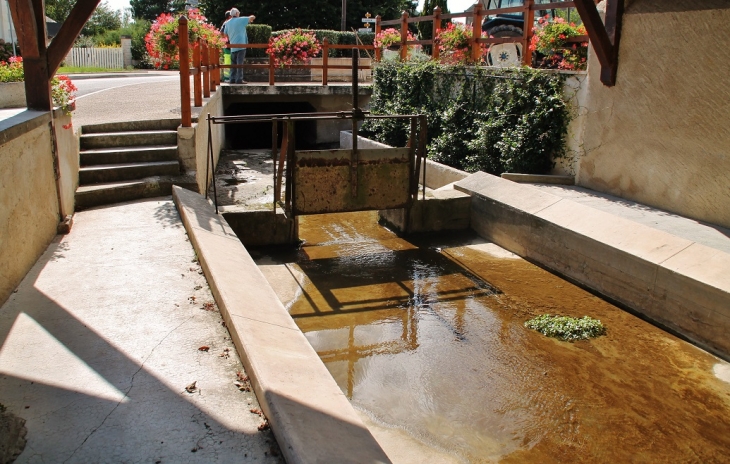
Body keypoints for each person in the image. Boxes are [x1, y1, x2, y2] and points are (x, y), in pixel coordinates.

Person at [221, 8, 255, 84]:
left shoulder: (227, 23)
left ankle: (232, 79)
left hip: (233, 46)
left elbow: (225, 34)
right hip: (241, 46)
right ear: (236, 13)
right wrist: (251, 18)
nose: (239, 14)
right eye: (238, 13)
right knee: (240, 63)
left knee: (233, 64)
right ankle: (239, 79)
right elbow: (252, 17)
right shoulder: (240, 20)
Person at [220, 10, 232, 82]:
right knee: (227, 61)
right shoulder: (226, 23)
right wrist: (227, 38)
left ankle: (228, 77)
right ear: (229, 16)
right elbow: (222, 33)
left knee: (229, 61)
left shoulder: (226, 23)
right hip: (227, 46)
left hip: (227, 45)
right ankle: (227, 78)